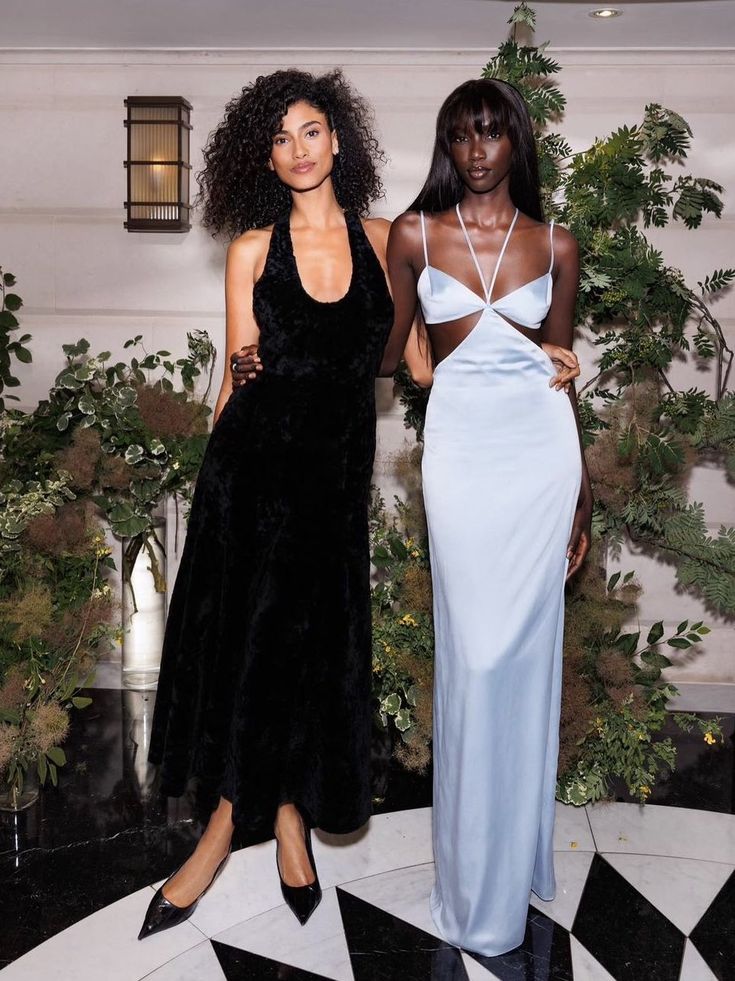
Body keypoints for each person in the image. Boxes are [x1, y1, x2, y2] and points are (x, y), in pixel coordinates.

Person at [139, 68, 394, 940]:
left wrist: (541, 352)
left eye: (311, 130)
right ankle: (222, 832)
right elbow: (234, 376)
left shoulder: (385, 239)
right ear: (264, 154)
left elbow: (416, 360)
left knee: (311, 654)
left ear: (339, 139)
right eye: (279, 137)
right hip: (252, 485)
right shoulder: (253, 249)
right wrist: (210, 501)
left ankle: (287, 814)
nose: (297, 149)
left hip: (334, 493)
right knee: (255, 656)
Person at [379, 77, 592, 956]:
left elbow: (562, 370)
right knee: (475, 654)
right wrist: (421, 363)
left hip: (540, 459)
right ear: (446, 145)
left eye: (492, 134)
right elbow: (390, 351)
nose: (476, 151)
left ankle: (510, 861)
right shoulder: (413, 233)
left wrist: (584, 500)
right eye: (461, 135)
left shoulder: (556, 244)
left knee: (524, 657)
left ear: (516, 145)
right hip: (462, 459)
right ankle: (471, 881)